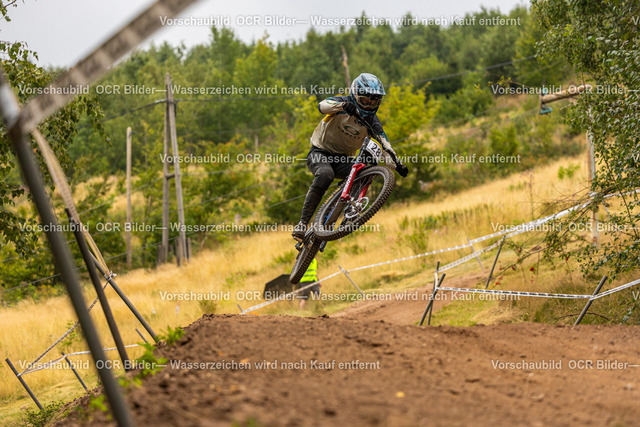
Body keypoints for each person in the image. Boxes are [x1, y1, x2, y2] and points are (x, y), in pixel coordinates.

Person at [292, 72, 408, 241]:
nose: (369, 105)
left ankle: (347, 212)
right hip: (320, 152)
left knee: (364, 173)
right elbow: (322, 106)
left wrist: (397, 165)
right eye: (365, 100)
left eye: (373, 102)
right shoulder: (342, 102)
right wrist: (343, 106)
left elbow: (386, 148)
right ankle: (302, 223)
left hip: (343, 160)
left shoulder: (372, 121)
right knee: (325, 175)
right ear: (355, 95)